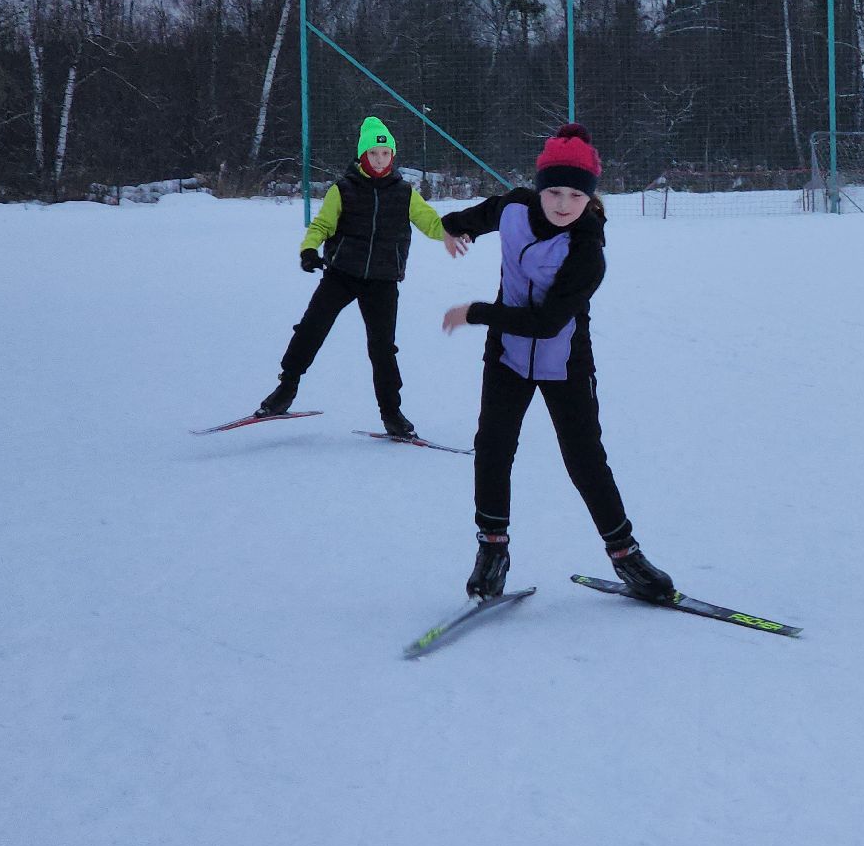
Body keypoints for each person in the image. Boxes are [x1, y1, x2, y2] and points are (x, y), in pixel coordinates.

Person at [438, 124, 675, 602]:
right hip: (506, 358)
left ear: (589, 198)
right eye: (553, 192)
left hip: (564, 360)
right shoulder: (513, 209)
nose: (562, 204)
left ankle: (625, 554)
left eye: (574, 195)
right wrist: (451, 226)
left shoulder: (587, 250)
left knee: (585, 457)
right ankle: (492, 550)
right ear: (538, 188)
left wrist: (476, 312)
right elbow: (471, 216)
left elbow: (546, 322)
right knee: (493, 447)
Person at [255, 116, 465, 437]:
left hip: (383, 281)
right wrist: (309, 250)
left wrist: (451, 232)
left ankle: (392, 413)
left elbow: (431, 223)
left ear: (392, 156)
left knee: (383, 349)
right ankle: (286, 389)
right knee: (312, 328)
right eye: (373, 154)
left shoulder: (405, 193)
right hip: (341, 274)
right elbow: (321, 226)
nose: (380, 160)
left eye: (385, 154)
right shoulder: (343, 190)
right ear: (362, 156)